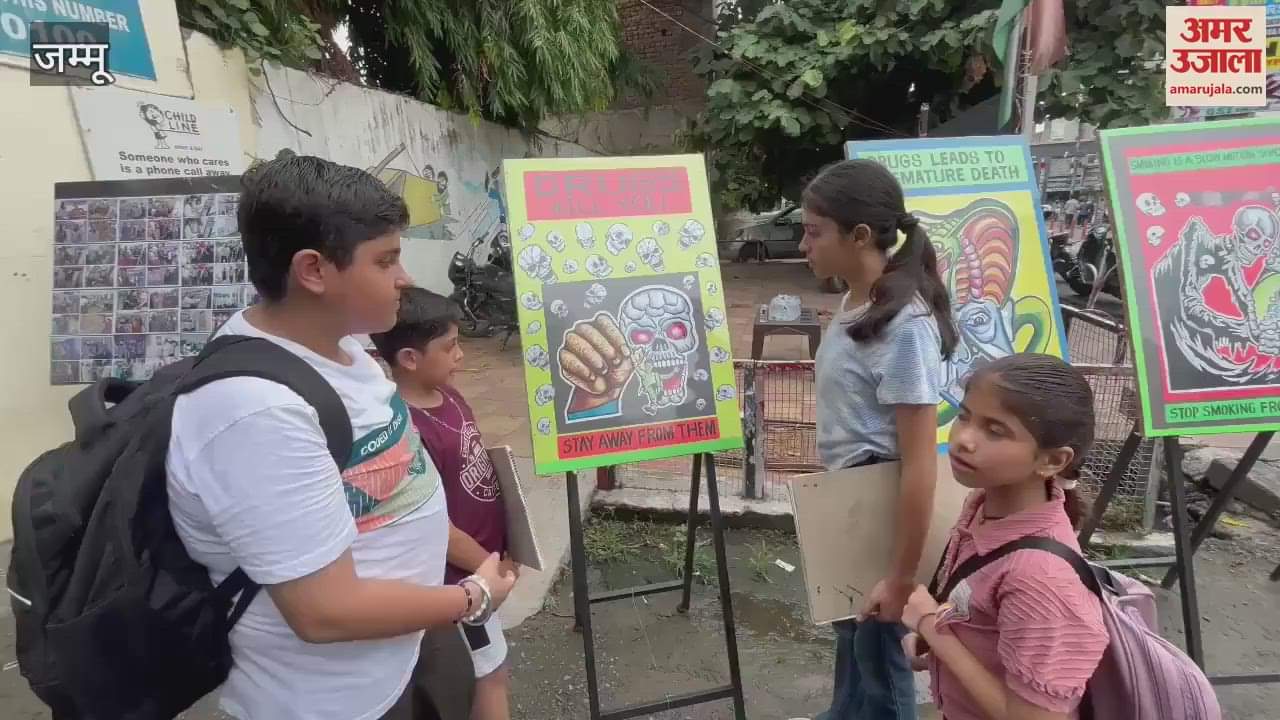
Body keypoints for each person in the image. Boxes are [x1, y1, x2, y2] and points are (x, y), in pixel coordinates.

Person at [165, 152, 516, 720]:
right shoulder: (255, 412)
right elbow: (323, 611)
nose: (404, 279)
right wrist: (471, 599)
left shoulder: (345, 345)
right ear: (314, 270)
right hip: (338, 701)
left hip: (405, 654)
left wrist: (469, 565)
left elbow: (399, 488)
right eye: (386, 261)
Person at [799, 158, 958, 720]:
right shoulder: (857, 302)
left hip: (878, 503)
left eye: (815, 232)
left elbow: (920, 464)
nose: (803, 245)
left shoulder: (904, 325)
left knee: (879, 654)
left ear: (860, 235)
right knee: (851, 636)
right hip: (848, 496)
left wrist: (901, 576)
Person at [900, 354, 1108, 720]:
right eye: (964, 416)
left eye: (995, 431)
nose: (963, 439)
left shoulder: (1040, 581)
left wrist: (933, 629)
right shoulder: (982, 504)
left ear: (1053, 460)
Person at [371, 288, 518, 720]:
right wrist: (491, 569)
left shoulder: (449, 396)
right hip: (460, 580)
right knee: (484, 676)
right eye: (449, 346)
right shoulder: (405, 430)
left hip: (484, 567)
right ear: (410, 359)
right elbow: (434, 524)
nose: (460, 354)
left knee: (488, 669)